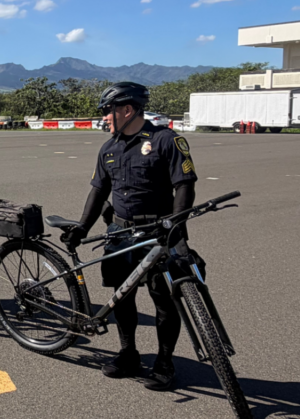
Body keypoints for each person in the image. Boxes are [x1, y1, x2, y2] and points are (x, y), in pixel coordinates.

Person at [59, 82, 198, 392]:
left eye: (108, 112)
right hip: (120, 233)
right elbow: (98, 190)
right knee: (123, 296)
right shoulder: (109, 148)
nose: (105, 118)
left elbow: (184, 185)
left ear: (127, 110)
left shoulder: (166, 141)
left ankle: (164, 361)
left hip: (159, 233)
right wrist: (82, 226)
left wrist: (175, 224)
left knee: (164, 300)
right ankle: (128, 353)